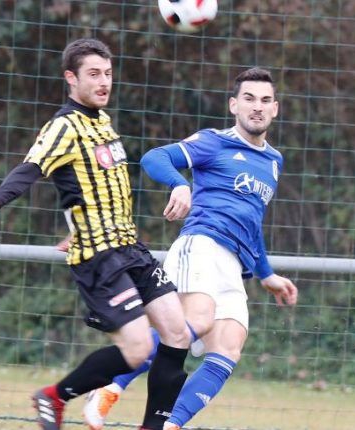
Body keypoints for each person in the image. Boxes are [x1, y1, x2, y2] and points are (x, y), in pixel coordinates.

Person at [0, 38, 191, 430]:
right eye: (94, 74)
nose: (104, 82)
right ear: (71, 78)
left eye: (108, 74)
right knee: (138, 349)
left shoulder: (103, 122)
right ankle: (54, 397)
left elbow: (94, 190)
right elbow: (32, 167)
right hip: (100, 257)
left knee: (178, 333)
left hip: (130, 247)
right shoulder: (64, 126)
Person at [82, 67, 298, 430]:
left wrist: (267, 274)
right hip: (201, 244)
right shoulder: (215, 141)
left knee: (228, 348)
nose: (256, 107)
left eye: (264, 100)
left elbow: (250, 222)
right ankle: (110, 384)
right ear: (234, 105)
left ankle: (169, 424)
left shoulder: (273, 161)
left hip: (234, 263)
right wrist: (179, 185)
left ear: (275, 108)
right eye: (248, 99)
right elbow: (154, 158)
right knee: (193, 322)